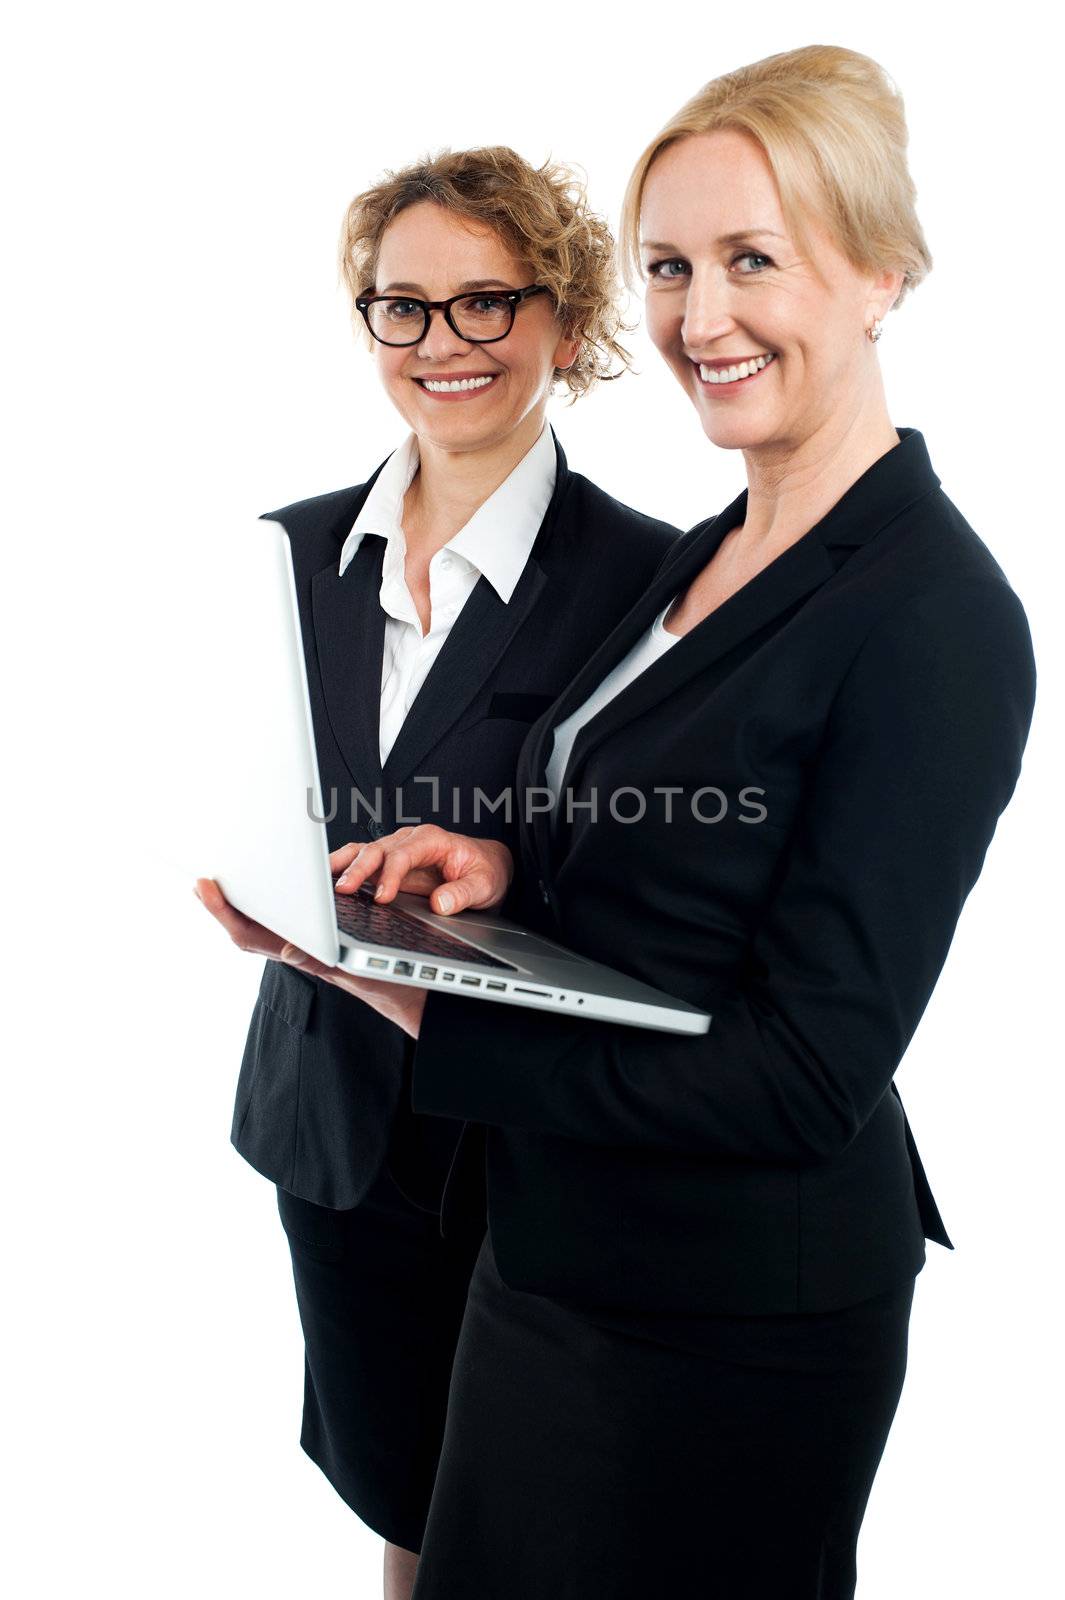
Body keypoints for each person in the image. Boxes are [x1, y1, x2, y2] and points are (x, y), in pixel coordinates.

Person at [201, 45, 1037, 1600]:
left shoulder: (934, 615)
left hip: (729, 1316)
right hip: (569, 1246)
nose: (699, 316)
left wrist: (420, 1008)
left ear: (883, 274)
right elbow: (679, 845)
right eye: (671, 265)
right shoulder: (729, 543)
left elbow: (803, 1078)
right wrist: (503, 865)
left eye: (750, 260)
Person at [196, 146, 678, 1600]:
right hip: (335, 1125)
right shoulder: (281, 557)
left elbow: (660, 857)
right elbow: (242, 786)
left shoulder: (652, 579)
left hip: (536, 1137)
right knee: (404, 1498)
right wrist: (248, 879)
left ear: (566, 325)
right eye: (401, 308)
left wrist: (506, 863)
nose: (441, 345)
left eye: (485, 305)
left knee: (552, 1516)